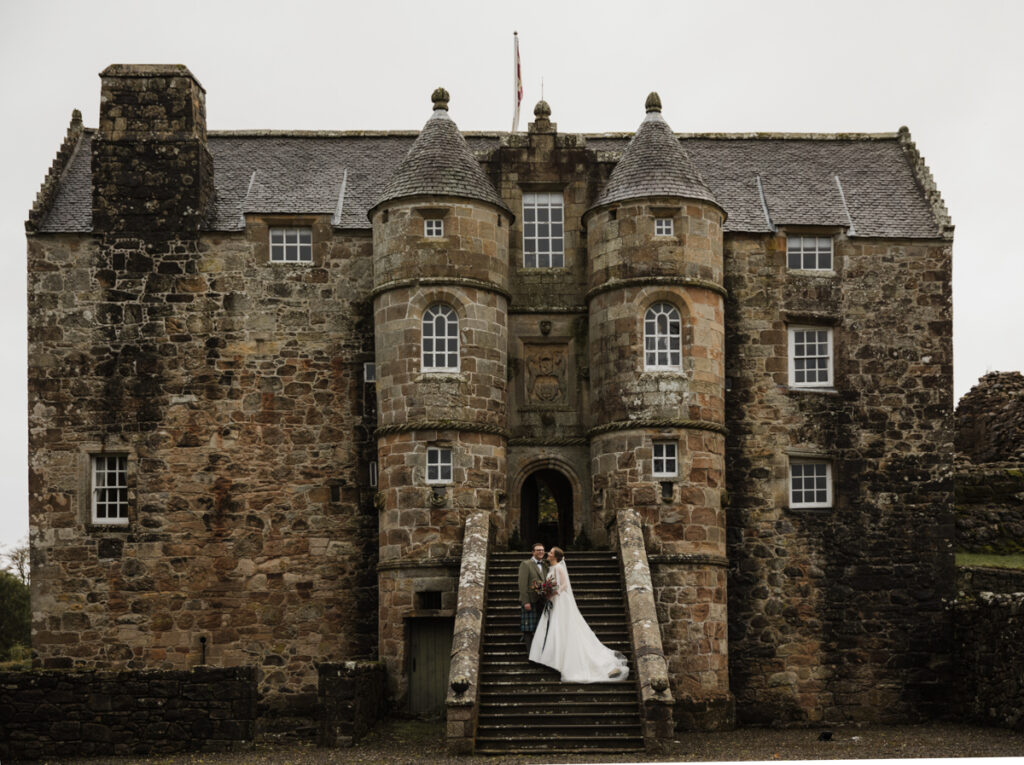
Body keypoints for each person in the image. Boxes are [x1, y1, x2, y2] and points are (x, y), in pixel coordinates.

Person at [529, 547, 630, 682]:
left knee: (563, 628)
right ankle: (557, 659)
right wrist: (545, 592)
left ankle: (599, 665)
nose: (548, 553)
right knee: (557, 629)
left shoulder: (559, 568)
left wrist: (552, 593)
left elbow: (564, 585)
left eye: (551, 553)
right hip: (553, 601)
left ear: (556, 557)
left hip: (560, 601)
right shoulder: (551, 568)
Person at [517, 543, 548, 654]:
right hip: (530, 600)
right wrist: (526, 601)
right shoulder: (526, 564)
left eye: (542, 550)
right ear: (533, 552)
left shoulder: (545, 565)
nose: (541, 552)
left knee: (540, 627)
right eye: (538, 550)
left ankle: (539, 653)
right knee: (528, 628)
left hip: (542, 601)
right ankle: (530, 654)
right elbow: (522, 584)